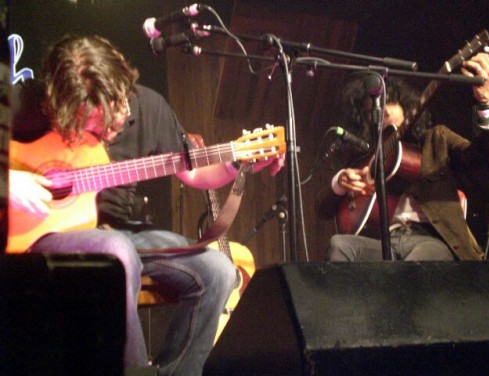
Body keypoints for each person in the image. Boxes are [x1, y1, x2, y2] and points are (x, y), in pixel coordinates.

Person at [8, 34, 283, 376]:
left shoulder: (149, 106)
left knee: (219, 272)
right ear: (60, 104)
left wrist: (234, 163)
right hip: (43, 234)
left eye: (117, 109)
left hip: (121, 229)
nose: (111, 124)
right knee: (116, 252)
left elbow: (194, 172)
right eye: (92, 121)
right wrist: (10, 182)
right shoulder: (26, 103)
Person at [316, 52, 489, 262]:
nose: (382, 110)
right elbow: (322, 208)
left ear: (405, 104)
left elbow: (487, 161)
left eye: (390, 101)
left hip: (432, 239)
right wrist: (340, 182)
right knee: (338, 246)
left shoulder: (436, 140)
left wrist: (486, 103)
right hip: (387, 240)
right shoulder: (367, 158)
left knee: (416, 263)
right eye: (371, 110)